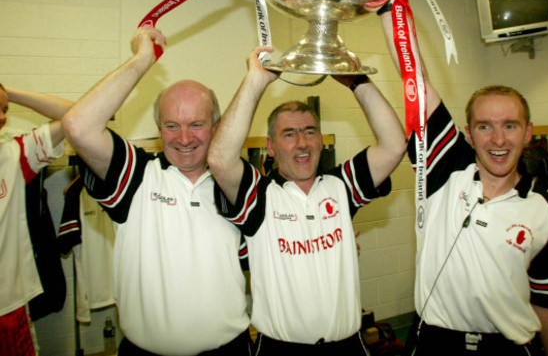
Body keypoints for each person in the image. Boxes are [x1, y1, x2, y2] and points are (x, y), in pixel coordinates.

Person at [378, 0, 548, 355]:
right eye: (485, 127)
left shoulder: (546, 209)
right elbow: (416, 80)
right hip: (434, 344)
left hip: (510, 347)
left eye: (509, 126)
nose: (498, 139)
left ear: (528, 133)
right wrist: (386, 7)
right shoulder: (445, 171)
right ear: (468, 134)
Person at [61, 26, 251, 356]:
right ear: (159, 129)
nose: (184, 138)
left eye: (197, 124)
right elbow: (78, 126)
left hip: (230, 350)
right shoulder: (136, 177)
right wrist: (142, 59)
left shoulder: (237, 184)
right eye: (171, 125)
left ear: (217, 126)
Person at [207, 45, 406, 355]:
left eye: (310, 131)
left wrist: (358, 82)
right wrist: (255, 80)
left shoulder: (342, 186)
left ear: (321, 139)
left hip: (349, 346)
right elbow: (219, 159)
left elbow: (394, 146)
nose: (302, 143)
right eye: (289, 134)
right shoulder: (258, 195)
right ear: (271, 147)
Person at [0, 85, 73, 356]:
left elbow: (76, 115)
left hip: (10, 308)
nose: (2, 117)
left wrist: (10, 92)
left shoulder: (12, 155)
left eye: (5, 109)